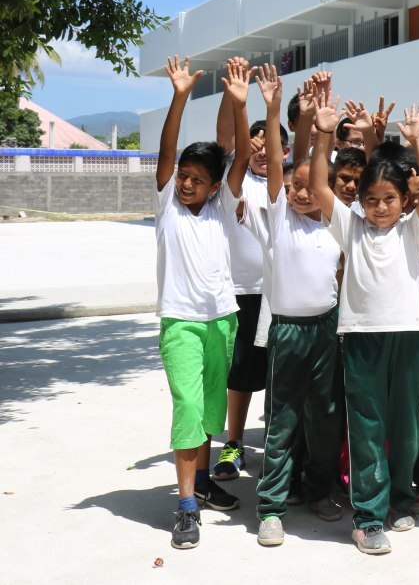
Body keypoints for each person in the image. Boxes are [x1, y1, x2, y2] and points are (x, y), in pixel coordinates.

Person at [309, 92, 419, 555]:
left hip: (407, 334)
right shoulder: (351, 228)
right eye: (371, 199)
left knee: (406, 425)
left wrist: (417, 140)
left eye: (389, 199)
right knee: (366, 424)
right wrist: (323, 134)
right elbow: (321, 186)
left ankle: (401, 498)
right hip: (360, 336)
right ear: (359, 202)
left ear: (405, 200)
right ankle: (367, 517)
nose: (380, 207)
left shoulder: (413, 230)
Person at [156, 56, 252, 549]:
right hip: (181, 324)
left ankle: (205, 481)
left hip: (223, 321)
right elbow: (168, 149)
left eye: (197, 177)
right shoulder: (167, 202)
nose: (187, 182)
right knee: (188, 406)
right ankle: (186, 504)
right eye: (183, 175)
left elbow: (238, 160)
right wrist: (180, 96)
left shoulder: (222, 206)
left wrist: (240, 105)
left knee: (210, 410)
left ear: (215, 186)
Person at [247, 65, 344, 546]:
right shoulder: (278, 219)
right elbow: (292, 158)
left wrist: (325, 129)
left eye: (310, 186)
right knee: (282, 419)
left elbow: (315, 166)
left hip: (327, 331)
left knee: (325, 418)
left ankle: (320, 490)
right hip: (288, 332)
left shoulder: (331, 221)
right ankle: (270, 507)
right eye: (293, 186)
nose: (301, 191)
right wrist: (273, 106)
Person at [212, 59, 276, 482]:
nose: (260, 154)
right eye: (251, 148)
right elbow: (224, 142)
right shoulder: (236, 182)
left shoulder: (289, 185)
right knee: (241, 375)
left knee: (280, 373)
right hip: (241, 293)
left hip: (281, 295)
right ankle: (234, 442)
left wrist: (277, 111)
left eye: (267, 148)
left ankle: (281, 443)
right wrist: (237, 101)